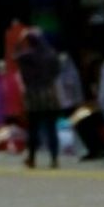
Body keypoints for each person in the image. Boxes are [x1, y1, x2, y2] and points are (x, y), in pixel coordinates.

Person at [15, 29, 62, 170]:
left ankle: (32, 158)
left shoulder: (25, 57)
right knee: (51, 129)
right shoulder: (52, 55)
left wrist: (20, 40)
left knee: (33, 129)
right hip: (50, 96)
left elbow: (16, 55)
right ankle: (54, 159)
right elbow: (57, 72)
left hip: (34, 97)